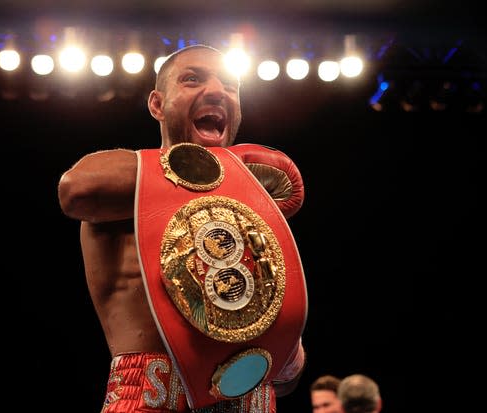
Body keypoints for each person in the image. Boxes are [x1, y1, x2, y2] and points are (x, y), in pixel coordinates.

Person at [58, 44, 307, 412]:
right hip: (151, 395)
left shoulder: (250, 207)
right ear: (157, 104)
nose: (217, 90)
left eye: (230, 85)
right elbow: (76, 190)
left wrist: (284, 347)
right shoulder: (126, 182)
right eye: (193, 79)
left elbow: (287, 378)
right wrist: (219, 166)